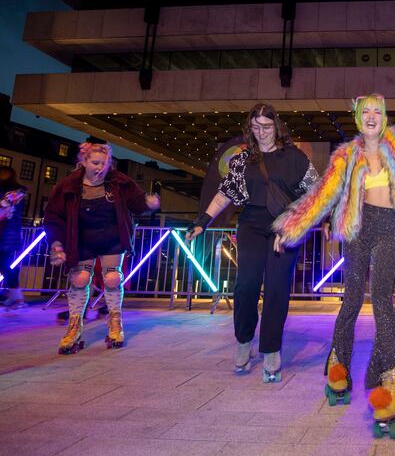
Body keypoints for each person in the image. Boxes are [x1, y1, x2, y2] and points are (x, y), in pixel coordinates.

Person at [273, 93, 395, 426]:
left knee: (384, 303)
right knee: (352, 298)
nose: (372, 116)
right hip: (357, 226)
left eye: (377, 111)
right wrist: (290, 228)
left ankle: (386, 374)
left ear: (384, 116)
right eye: (366, 111)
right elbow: (322, 195)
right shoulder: (346, 155)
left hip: (389, 224)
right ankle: (338, 363)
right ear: (358, 118)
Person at [186, 104, 318, 382]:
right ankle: (244, 340)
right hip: (252, 225)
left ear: (277, 126)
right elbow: (226, 194)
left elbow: (315, 194)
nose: (261, 133)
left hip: (285, 226)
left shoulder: (294, 157)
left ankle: (271, 348)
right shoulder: (243, 159)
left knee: (276, 287)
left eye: (266, 127)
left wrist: (293, 224)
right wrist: (203, 220)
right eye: (256, 127)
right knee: (245, 283)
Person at [45, 139, 160, 354]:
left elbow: (136, 203)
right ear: (84, 162)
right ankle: (74, 325)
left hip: (112, 236)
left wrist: (148, 203)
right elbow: (53, 215)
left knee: (112, 277)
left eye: (104, 164)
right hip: (81, 238)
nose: (100, 168)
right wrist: (57, 242)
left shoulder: (119, 182)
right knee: (79, 279)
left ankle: (115, 321)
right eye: (95, 163)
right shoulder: (69, 185)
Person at [0, 166, 28, 309]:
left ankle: (16, 295)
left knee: (4, 263)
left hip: (7, 232)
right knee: (5, 264)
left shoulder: (17, 191)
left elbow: (5, 206)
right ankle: (14, 295)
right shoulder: (18, 191)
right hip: (9, 232)